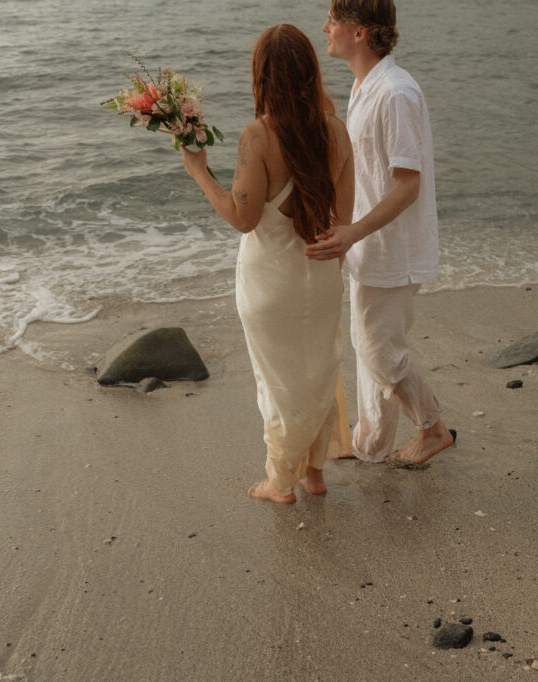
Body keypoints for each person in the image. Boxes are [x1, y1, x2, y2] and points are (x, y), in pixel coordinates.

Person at [182, 24, 355, 503]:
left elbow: (242, 218)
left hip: (269, 284)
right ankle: (314, 473)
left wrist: (200, 173)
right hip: (321, 277)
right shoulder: (337, 130)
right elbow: (345, 219)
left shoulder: (258, 136)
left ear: (262, 76)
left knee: (278, 384)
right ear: (311, 72)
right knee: (318, 374)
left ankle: (280, 483)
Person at [306, 0, 455, 466]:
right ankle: (371, 443)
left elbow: (407, 186)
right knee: (367, 345)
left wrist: (352, 232)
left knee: (379, 352)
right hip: (369, 245)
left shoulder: (396, 93)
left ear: (360, 33)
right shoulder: (364, 86)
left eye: (333, 19)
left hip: (393, 247)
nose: (324, 26)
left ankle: (432, 429)